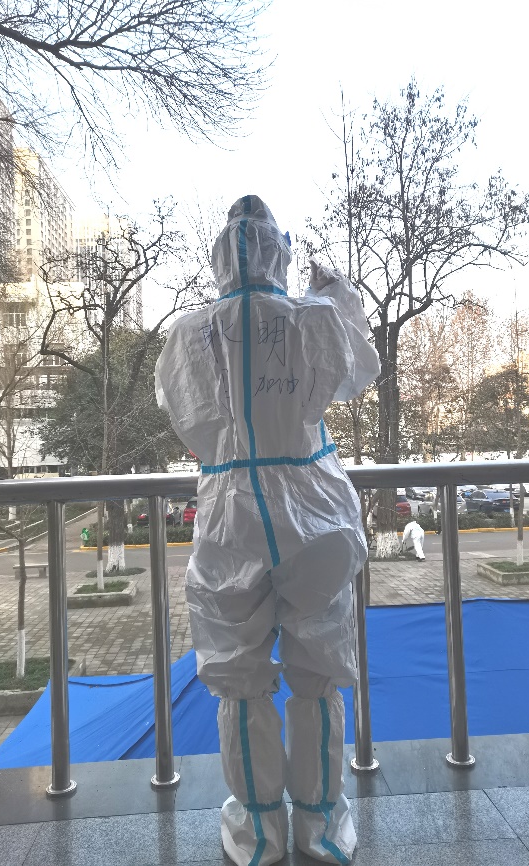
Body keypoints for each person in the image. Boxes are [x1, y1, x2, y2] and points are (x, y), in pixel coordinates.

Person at [155, 195, 380, 866]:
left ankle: (258, 832)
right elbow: (360, 371)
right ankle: (320, 826)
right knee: (318, 669)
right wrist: (338, 298)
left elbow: (187, 418)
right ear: (279, 251)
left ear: (219, 256)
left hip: (232, 510)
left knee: (238, 671)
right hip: (314, 506)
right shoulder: (313, 318)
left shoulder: (189, 332)